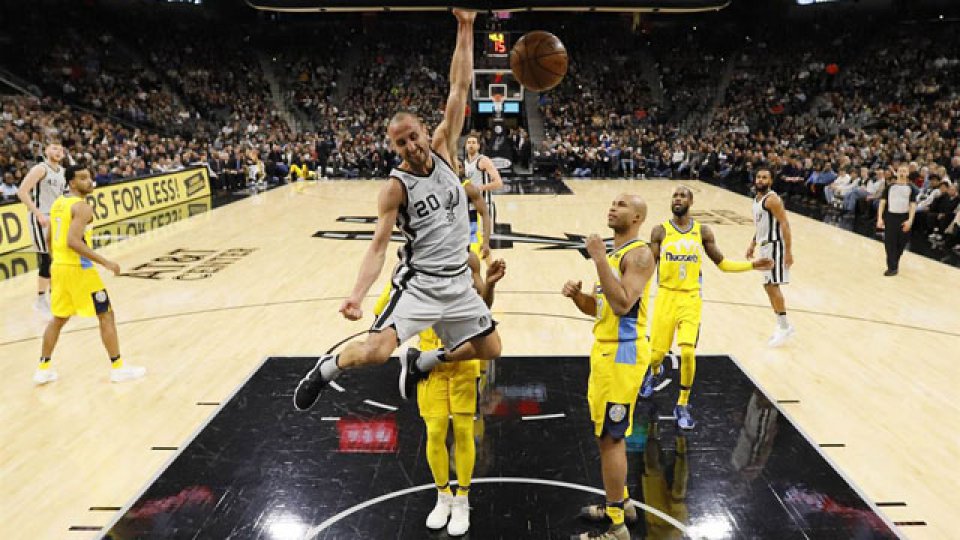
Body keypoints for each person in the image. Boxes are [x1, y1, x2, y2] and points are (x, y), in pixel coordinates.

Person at [292, 10, 502, 410]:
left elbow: (459, 85)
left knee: (490, 347)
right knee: (374, 352)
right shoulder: (395, 187)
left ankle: (422, 360)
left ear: (425, 130)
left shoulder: (445, 148)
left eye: (412, 136)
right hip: (419, 283)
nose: (410, 146)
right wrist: (356, 294)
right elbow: (377, 247)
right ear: (395, 148)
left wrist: (466, 24)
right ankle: (326, 368)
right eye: (401, 144)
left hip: (457, 280)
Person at [371, 253, 505, 536]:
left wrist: (490, 285)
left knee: (464, 431)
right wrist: (397, 277)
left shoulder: (467, 258)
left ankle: (462, 499)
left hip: (464, 358)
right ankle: (443, 496)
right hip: (428, 359)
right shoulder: (412, 261)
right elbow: (382, 310)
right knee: (434, 432)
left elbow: (483, 307)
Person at [562, 193, 656, 540]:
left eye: (621, 205)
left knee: (611, 439)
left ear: (636, 217)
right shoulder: (616, 256)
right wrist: (578, 297)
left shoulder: (640, 254)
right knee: (606, 437)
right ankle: (623, 503)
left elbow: (622, 303)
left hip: (623, 356)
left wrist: (599, 258)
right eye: (611, 202)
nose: (612, 207)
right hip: (605, 353)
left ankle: (617, 527)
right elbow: (601, 309)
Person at [642, 186, 772, 429]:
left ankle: (682, 403)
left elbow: (722, 264)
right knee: (656, 355)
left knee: (688, 352)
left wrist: (752, 265)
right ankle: (655, 370)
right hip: (665, 298)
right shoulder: (660, 231)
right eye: (675, 195)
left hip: (690, 299)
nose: (677, 198)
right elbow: (649, 266)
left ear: (691, 202)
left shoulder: (702, 231)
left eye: (682, 196)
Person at [33, 166, 145, 385]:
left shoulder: (58, 204)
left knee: (58, 318)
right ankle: (118, 368)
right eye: (83, 178)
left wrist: (55, 263)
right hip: (80, 270)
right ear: (71, 183)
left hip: (59, 268)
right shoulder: (82, 207)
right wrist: (106, 262)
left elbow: (49, 238)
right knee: (106, 314)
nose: (89, 181)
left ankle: (43, 369)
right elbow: (72, 241)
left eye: (90, 177)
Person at [17, 143, 67, 314]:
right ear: (46, 151)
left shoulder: (63, 172)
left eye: (60, 149)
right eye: (54, 148)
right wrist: (38, 214)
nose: (58, 151)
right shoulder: (41, 168)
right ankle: (40, 300)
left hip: (56, 218)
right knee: (46, 259)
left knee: (56, 258)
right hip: (42, 217)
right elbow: (22, 192)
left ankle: (55, 297)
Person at [747, 169, 795, 347]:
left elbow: (785, 223)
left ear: (771, 181)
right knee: (768, 286)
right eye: (758, 177)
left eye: (764, 177)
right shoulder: (758, 199)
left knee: (772, 286)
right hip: (765, 246)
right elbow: (761, 226)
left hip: (775, 245)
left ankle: (784, 327)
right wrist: (753, 243)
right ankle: (782, 324)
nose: (760, 180)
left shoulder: (772, 199)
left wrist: (788, 251)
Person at [464, 133, 504, 255]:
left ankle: (491, 269)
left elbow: (498, 182)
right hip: (470, 207)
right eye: (469, 142)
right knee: (473, 242)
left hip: (484, 205)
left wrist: (480, 187)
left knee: (485, 244)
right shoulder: (464, 162)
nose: (471, 145)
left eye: (473, 143)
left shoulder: (483, 160)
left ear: (479, 146)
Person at [877, 165, 917, 276]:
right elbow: (882, 202)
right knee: (889, 243)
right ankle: (892, 267)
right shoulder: (890, 187)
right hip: (890, 217)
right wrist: (880, 218)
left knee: (901, 243)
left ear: (908, 173)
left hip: (903, 217)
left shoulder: (911, 188)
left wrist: (910, 220)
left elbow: (913, 205)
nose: (902, 173)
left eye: (904, 171)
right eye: (900, 171)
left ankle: (895, 262)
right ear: (897, 173)